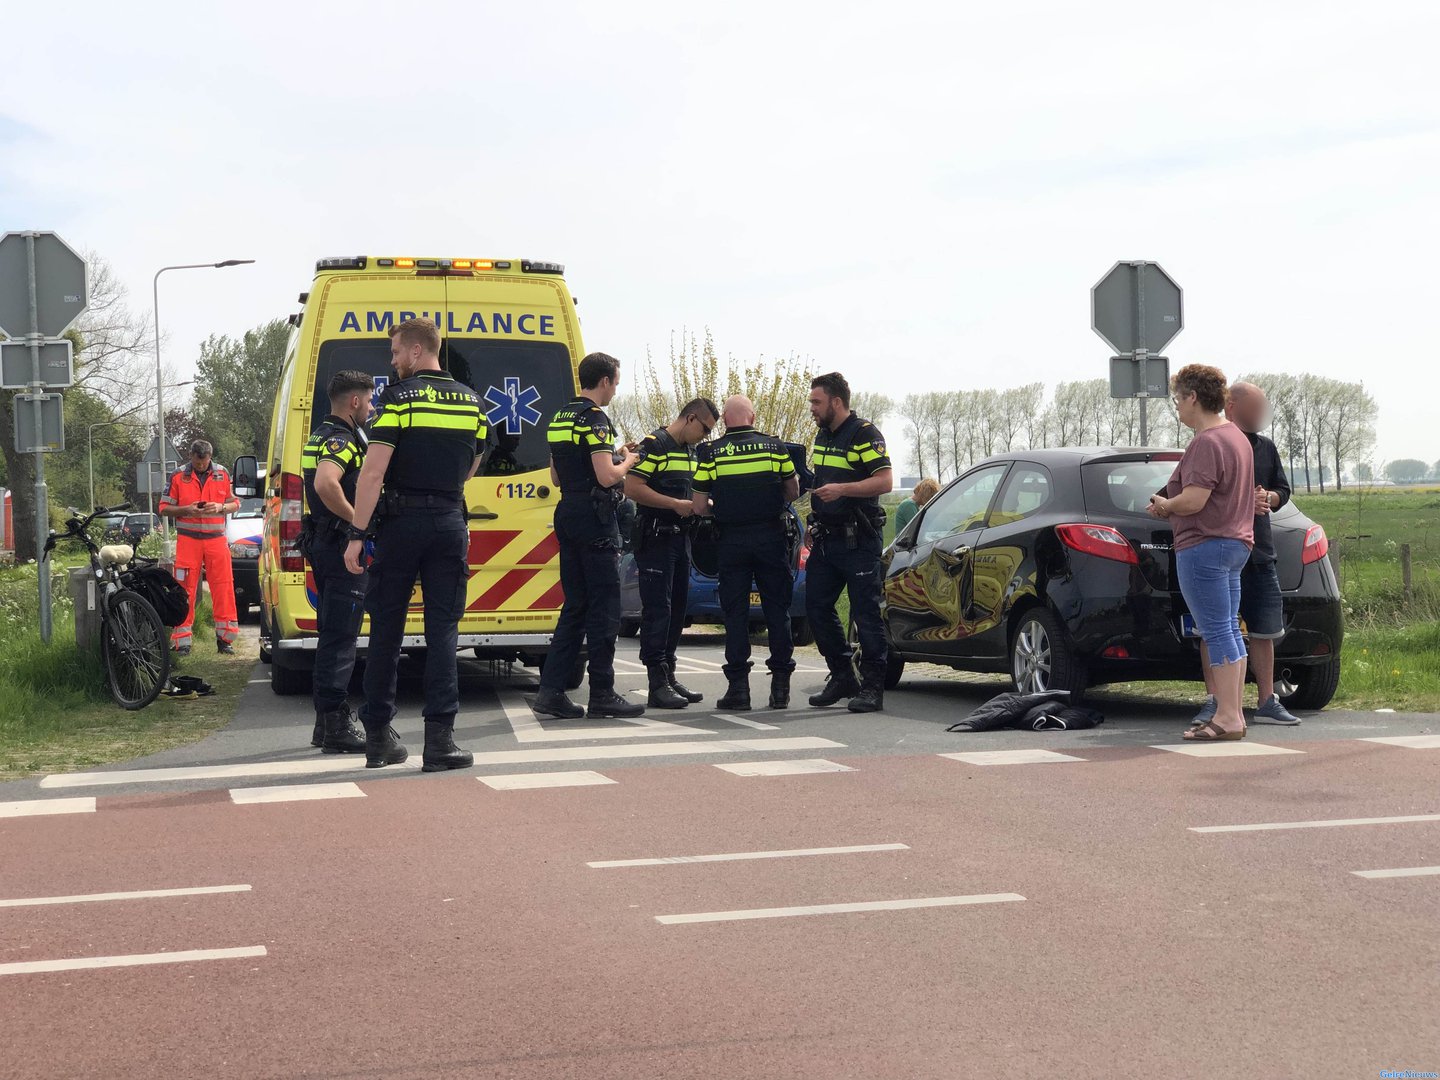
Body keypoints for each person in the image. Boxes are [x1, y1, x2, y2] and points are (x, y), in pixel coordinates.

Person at [343, 317, 487, 771]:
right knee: (443, 630)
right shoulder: (472, 403)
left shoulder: (398, 399)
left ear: (417, 351)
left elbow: (372, 471)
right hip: (448, 521)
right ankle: (441, 742)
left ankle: (378, 737)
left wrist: (357, 533)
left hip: (401, 523)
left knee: (386, 629)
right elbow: (472, 464)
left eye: (395, 352)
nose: (392, 361)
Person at [531, 352, 645, 721]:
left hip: (567, 512)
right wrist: (626, 459)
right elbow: (608, 477)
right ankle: (602, 693)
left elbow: (557, 477)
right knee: (605, 609)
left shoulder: (560, 417)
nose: (616, 389)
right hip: (595, 519)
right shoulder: (596, 420)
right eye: (616, 381)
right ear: (606, 380)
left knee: (575, 607)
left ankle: (550, 691)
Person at [1147, 364, 1255, 741]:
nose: (1177, 407)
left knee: (1215, 630)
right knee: (1229, 628)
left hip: (1204, 545)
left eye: (1178, 399)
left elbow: (1194, 501)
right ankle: (1234, 714)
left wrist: (1165, 505)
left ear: (1193, 397)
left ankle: (1226, 717)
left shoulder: (1206, 442)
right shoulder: (1237, 438)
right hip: (1236, 544)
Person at [1189, 381, 1300, 727]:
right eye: (1255, 407)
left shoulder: (1265, 448)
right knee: (1216, 627)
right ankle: (1217, 701)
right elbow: (1201, 493)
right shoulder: (1211, 444)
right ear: (1231, 405)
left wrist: (1271, 498)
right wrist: (1240, 501)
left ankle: (1267, 700)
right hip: (1222, 550)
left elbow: (1283, 488)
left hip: (1259, 552)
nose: (1261, 415)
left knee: (1265, 629)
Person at [691, 395, 800, 710]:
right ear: (752, 416)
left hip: (732, 542)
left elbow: (699, 506)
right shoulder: (774, 448)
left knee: (735, 615)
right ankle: (780, 689)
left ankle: (738, 691)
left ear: (724, 419)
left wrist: (722, 507)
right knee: (777, 611)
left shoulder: (711, 453)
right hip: (771, 538)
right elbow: (792, 491)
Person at [805, 372, 894, 713]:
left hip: (858, 541)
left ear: (836, 402)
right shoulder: (822, 435)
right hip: (827, 539)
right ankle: (843, 674)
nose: (811, 408)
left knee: (866, 613)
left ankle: (872, 687)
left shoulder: (864, 434)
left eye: (816, 402)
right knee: (816, 607)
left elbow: (884, 482)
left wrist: (842, 489)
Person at [624, 396, 719, 709]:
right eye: (705, 429)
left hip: (681, 540)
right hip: (655, 537)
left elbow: (690, 491)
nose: (705, 436)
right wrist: (674, 505)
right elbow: (632, 488)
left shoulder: (690, 450)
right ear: (691, 419)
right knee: (658, 610)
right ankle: (656, 682)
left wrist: (702, 505)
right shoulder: (655, 444)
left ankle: (670, 674)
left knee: (677, 609)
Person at [300, 370, 375, 754]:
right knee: (342, 637)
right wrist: (356, 521)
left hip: (322, 544)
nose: (373, 407)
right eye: (370, 400)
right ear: (355, 402)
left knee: (331, 632)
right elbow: (327, 483)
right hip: (340, 547)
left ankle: (322, 722)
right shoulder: (343, 440)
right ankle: (336, 725)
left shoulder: (318, 435)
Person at [158, 439, 240, 657]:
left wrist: (221, 507)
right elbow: (164, 508)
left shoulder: (222, 474)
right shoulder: (177, 476)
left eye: (204, 462)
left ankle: (225, 640)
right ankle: (182, 641)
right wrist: (186, 509)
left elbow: (235, 503)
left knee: (223, 588)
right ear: (191, 456)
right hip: (188, 541)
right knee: (184, 590)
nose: (201, 465)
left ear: (210, 456)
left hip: (216, 540)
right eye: (197, 461)